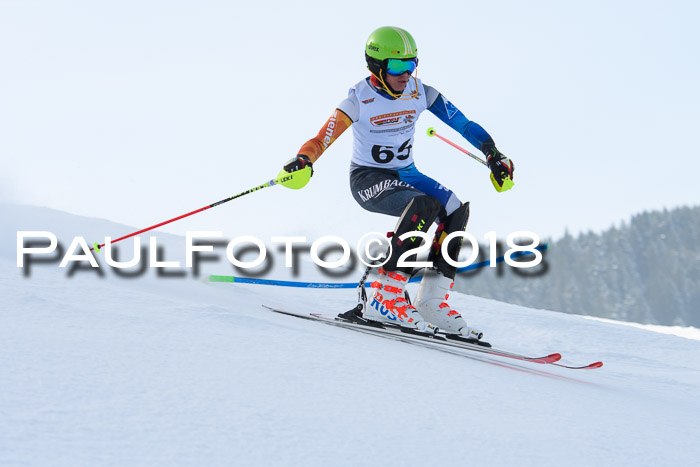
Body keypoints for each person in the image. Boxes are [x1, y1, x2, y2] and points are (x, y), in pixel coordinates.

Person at [281, 26, 514, 339]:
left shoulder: (421, 92)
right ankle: (383, 296)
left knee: (454, 208)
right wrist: (304, 159)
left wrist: (492, 154)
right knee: (423, 205)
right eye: (397, 67)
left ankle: (431, 301)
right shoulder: (358, 99)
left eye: (411, 64)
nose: (406, 75)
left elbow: (465, 125)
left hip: (406, 174)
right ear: (377, 68)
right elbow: (321, 139)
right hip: (368, 179)